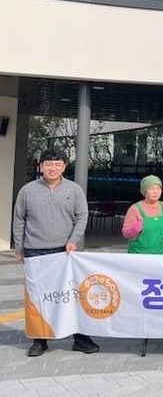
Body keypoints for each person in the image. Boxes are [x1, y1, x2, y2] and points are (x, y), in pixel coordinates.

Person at [13, 149, 99, 356]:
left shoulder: (74, 190)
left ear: (64, 167)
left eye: (57, 164)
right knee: (38, 297)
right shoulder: (27, 190)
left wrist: (73, 240)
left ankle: (80, 338)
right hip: (35, 251)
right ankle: (39, 340)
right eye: (48, 164)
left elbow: (82, 216)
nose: (53, 168)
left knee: (70, 295)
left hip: (65, 252)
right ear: (41, 166)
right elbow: (19, 219)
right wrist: (19, 248)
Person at [122, 175, 163, 254]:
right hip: (138, 256)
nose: (155, 192)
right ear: (145, 191)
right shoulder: (135, 209)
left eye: (158, 188)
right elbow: (125, 233)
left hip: (159, 256)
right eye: (151, 189)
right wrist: (134, 230)